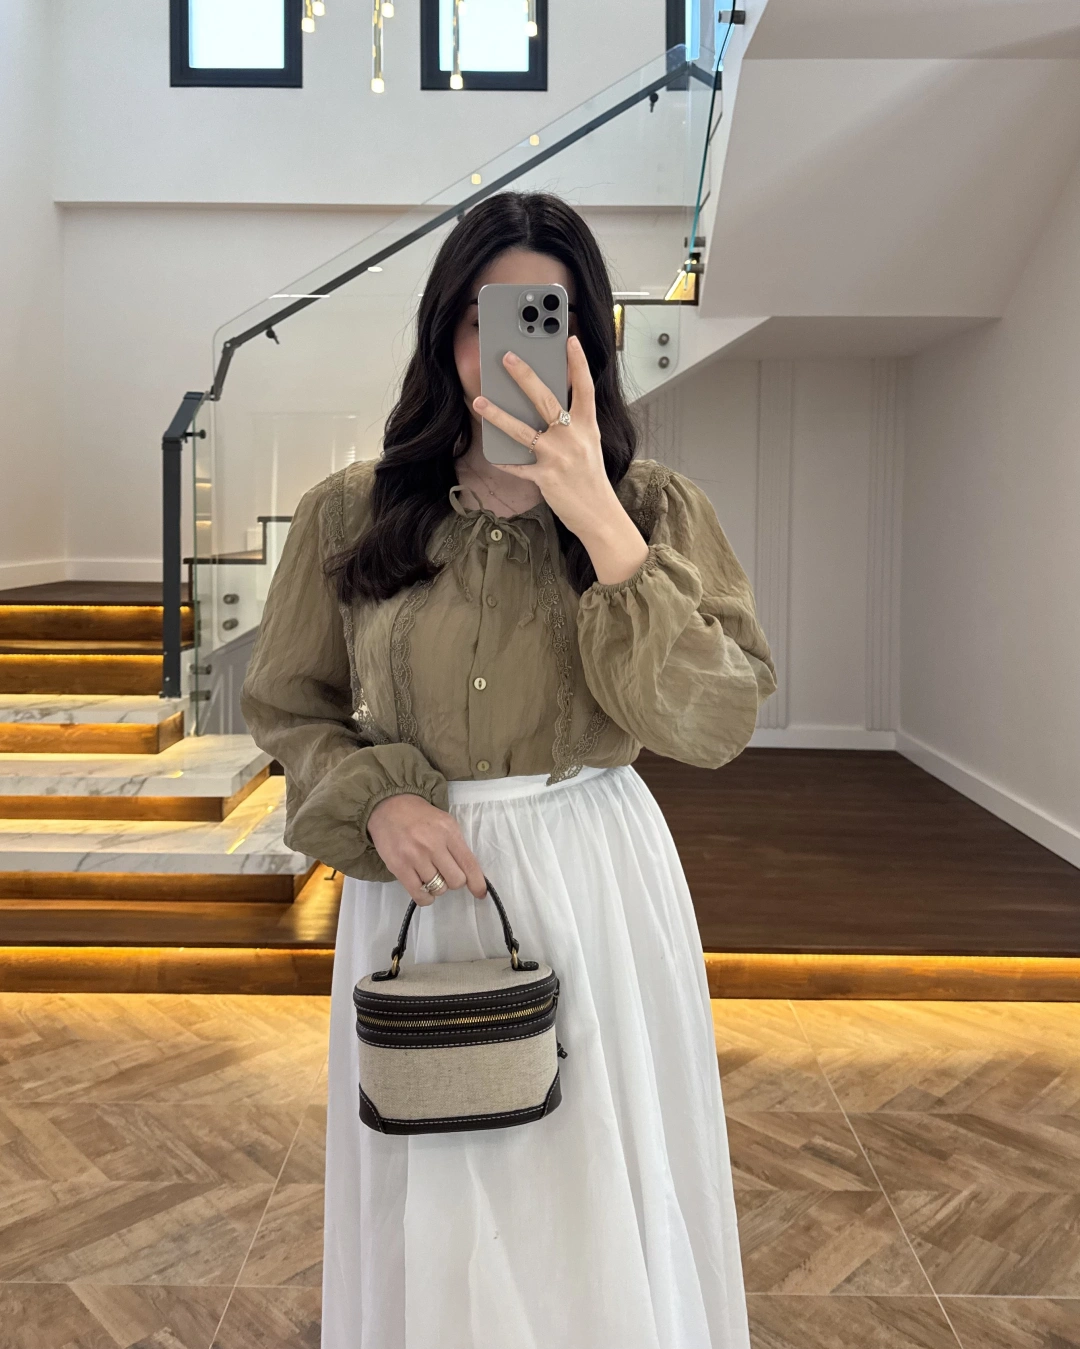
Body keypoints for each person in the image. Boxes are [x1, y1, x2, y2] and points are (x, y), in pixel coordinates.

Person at [240, 190, 776, 1349]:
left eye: (547, 315)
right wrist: (378, 798)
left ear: (588, 339)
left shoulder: (654, 510)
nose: (511, 350)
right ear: (447, 331)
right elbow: (287, 705)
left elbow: (718, 717)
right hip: (416, 885)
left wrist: (603, 526)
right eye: (486, 317)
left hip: (593, 879)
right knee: (438, 1191)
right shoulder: (351, 513)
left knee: (590, 1185)